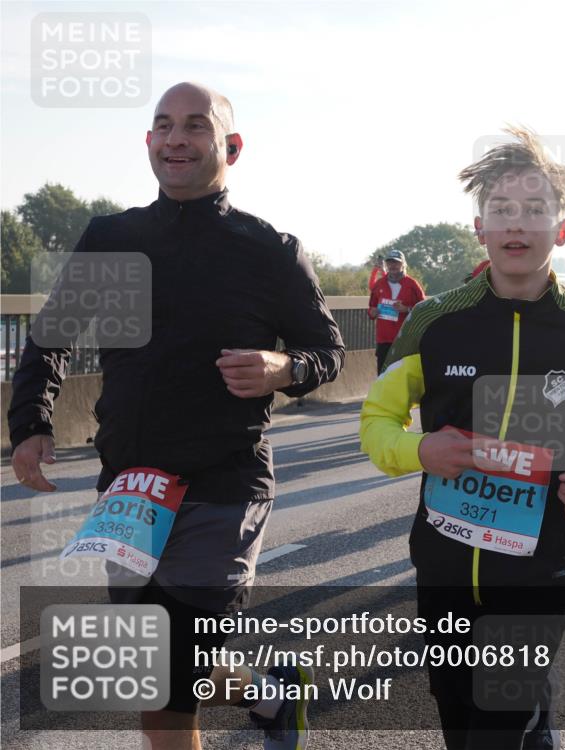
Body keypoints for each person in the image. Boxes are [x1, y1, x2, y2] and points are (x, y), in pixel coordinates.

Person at [8, 82, 346, 750]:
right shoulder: (114, 238)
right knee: (156, 666)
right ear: (148, 143)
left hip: (223, 485)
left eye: (195, 126)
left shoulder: (268, 249)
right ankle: (269, 693)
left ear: (231, 146)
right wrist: (31, 424)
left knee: (162, 680)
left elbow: (328, 351)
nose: (176, 140)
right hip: (131, 486)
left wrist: (286, 369)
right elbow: (52, 338)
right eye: (163, 126)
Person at [360, 127, 565, 750]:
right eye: (502, 210)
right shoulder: (435, 321)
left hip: (539, 566)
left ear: (562, 229)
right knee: (461, 719)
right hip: (444, 562)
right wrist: (419, 450)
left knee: (497, 725)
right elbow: (376, 422)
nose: (518, 224)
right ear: (479, 226)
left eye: (535, 210)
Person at [368, 249, 426, 374]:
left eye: (396, 263)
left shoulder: (412, 284)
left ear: (403, 264)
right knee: (382, 375)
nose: (392, 266)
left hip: (405, 338)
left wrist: (407, 309)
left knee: (401, 375)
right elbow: (371, 307)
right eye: (390, 263)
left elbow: (423, 308)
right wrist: (372, 313)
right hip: (384, 339)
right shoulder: (379, 284)